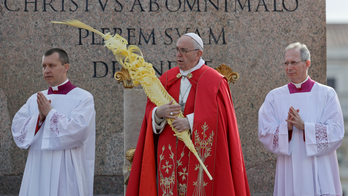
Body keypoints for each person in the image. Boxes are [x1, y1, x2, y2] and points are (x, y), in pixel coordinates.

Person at [126, 33, 250, 196]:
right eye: (177, 50)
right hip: (169, 154)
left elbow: (223, 119)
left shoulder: (215, 81)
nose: (179, 54)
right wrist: (158, 113)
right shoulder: (166, 79)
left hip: (199, 153)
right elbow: (150, 113)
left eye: (184, 50)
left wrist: (191, 122)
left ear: (198, 54)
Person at [258, 42, 344, 196]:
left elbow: (336, 132)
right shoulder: (274, 97)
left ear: (307, 63)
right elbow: (265, 132)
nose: (289, 67)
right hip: (289, 166)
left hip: (319, 167)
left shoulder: (327, 94)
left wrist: (305, 127)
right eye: (286, 63)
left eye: (293, 62)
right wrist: (287, 129)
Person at [11, 48, 96, 196]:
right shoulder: (35, 99)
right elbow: (18, 129)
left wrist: (50, 114)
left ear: (66, 67)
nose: (46, 70)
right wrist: (39, 118)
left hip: (66, 168)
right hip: (39, 165)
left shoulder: (83, 98)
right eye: (44, 66)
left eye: (52, 65)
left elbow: (79, 131)